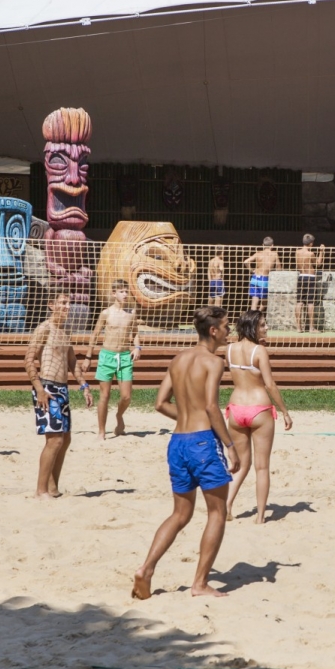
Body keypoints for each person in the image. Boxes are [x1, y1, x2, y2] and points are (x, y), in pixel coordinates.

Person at [132, 306, 240, 600]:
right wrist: (230, 446)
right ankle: (200, 584)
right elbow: (210, 407)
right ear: (213, 331)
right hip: (203, 442)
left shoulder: (178, 360)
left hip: (178, 441)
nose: (229, 331)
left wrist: (186, 419)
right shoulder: (213, 363)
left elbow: (159, 403)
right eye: (226, 326)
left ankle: (146, 568)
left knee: (180, 514)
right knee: (217, 513)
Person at [225, 309, 292, 523]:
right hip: (259, 408)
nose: (266, 328)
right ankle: (260, 516)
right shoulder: (259, 352)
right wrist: (284, 410)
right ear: (252, 327)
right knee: (262, 467)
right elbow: (270, 384)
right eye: (263, 325)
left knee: (241, 465)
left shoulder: (229, 349)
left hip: (235, 409)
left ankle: (226, 505)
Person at [25, 291, 93, 498]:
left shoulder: (64, 331)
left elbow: (72, 362)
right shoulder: (44, 329)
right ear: (51, 305)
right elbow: (28, 360)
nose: (67, 307)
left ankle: (53, 487)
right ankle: (40, 490)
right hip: (47, 388)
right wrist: (39, 389)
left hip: (62, 389)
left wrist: (84, 386)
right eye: (63, 303)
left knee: (65, 439)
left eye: (69, 303)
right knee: (53, 441)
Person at [83, 279, 142, 440]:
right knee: (105, 395)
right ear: (113, 293)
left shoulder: (131, 312)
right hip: (107, 356)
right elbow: (94, 335)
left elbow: (135, 333)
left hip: (124, 356)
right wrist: (88, 357)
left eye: (126, 291)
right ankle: (102, 431)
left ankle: (119, 415)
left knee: (126, 396)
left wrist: (137, 347)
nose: (125, 294)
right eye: (121, 291)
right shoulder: (106, 313)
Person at [295, 233, 325, 333]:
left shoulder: (297, 252)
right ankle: (311, 328)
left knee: (299, 302)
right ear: (311, 244)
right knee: (310, 303)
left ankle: (299, 328)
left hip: (301, 277)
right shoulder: (310, 254)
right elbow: (318, 264)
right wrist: (321, 252)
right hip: (310, 277)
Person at [243, 237, 280, 312]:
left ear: (262, 245)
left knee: (254, 302)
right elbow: (279, 267)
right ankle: (258, 315)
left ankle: (253, 319)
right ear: (272, 245)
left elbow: (246, 261)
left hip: (255, 278)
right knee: (264, 302)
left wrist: (251, 270)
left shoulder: (258, 253)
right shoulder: (274, 254)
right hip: (264, 279)